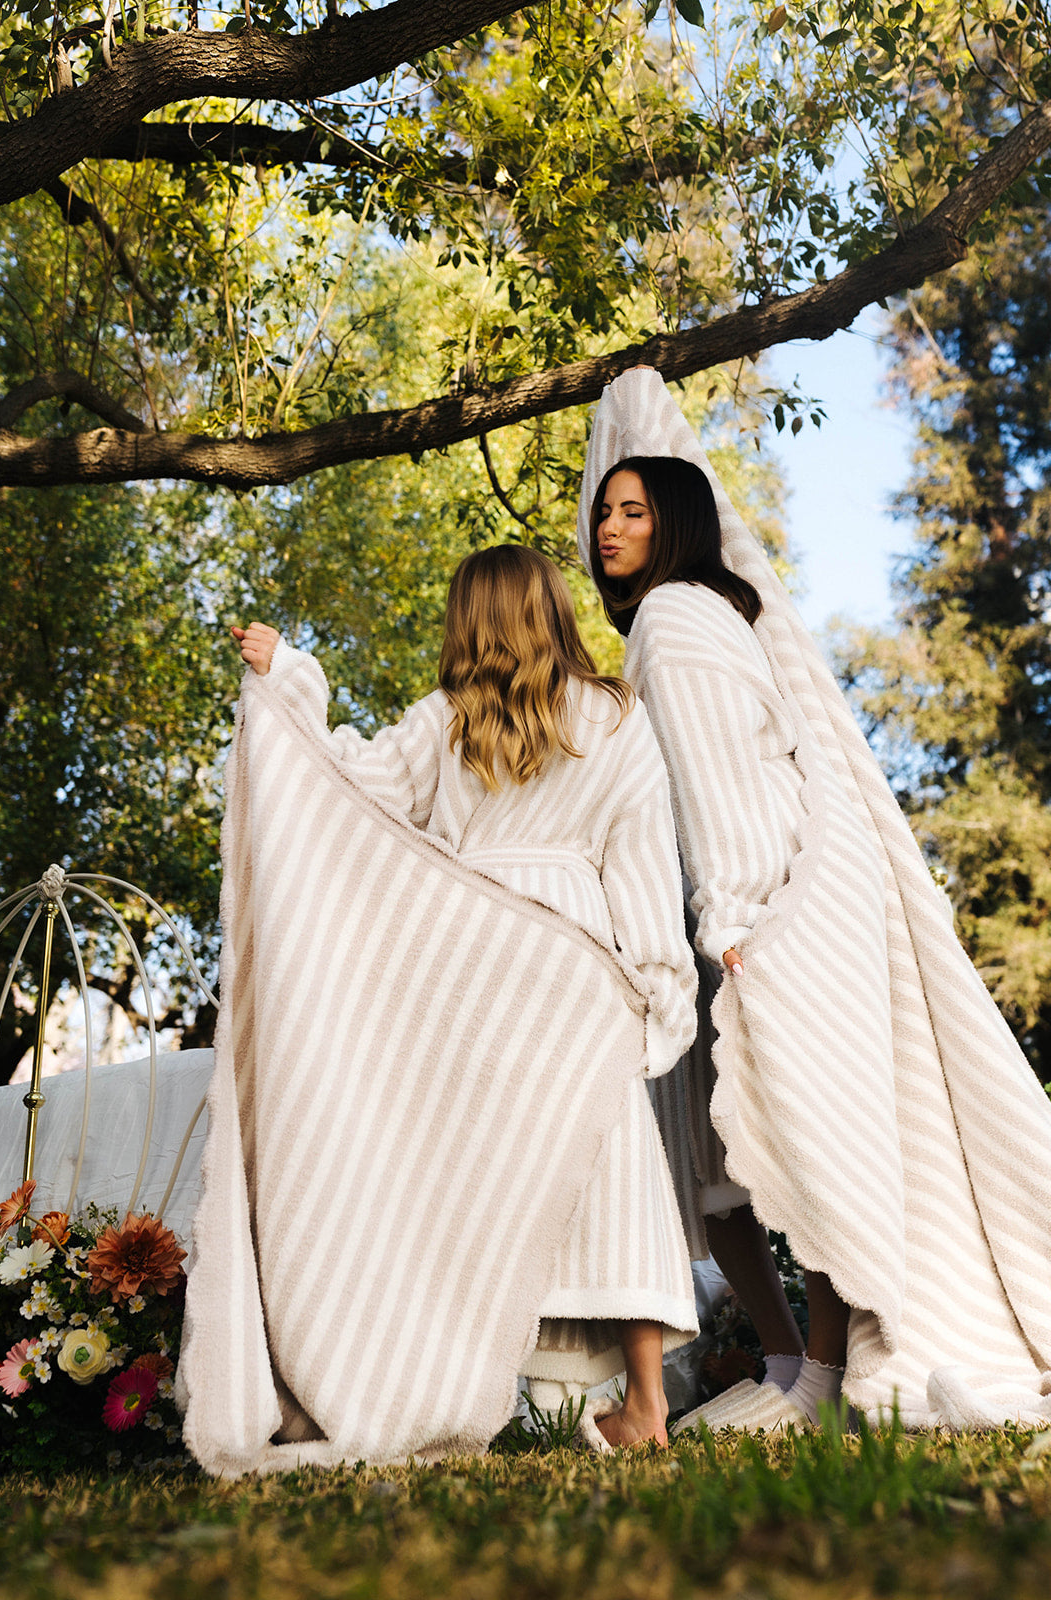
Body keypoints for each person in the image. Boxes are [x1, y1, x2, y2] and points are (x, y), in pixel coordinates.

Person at [575, 366, 1051, 1432]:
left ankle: (824, 1370)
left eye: (630, 511)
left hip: (761, 897)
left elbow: (722, 777)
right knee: (720, 1143)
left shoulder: (669, 614)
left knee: (799, 1125)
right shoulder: (704, 615)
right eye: (601, 512)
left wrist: (736, 917)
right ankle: (793, 1362)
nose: (605, 530)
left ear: (675, 521)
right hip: (761, 890)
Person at [230, 544, 700, 1450]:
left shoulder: (442, 720)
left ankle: (447, 1382)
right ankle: (646, 1406)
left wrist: (291, 679)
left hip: (474, 952)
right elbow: (640, 858)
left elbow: (346, 786)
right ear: (555, 611)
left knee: (474, 1177)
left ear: (468, 618)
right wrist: (656, 985)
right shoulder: (615, 717)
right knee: (610, 1166)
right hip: (574, 953)